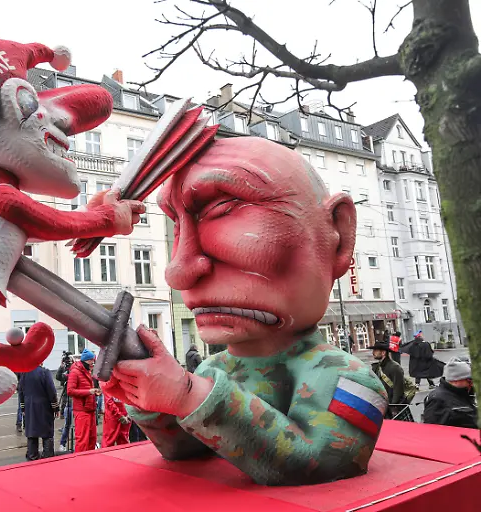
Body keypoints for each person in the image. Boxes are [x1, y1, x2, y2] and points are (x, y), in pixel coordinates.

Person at [102, 138, 388, 485]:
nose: (178, 271)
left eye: (223, 208)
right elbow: (189, 448)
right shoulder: (214, 367)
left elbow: (319, 462)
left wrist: (189, 395)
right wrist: (153, 403)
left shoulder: (348, 378)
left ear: (337, 237)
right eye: (177, 224)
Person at [423, 357, 477, 428]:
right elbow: (433, 431)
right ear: (456, 380)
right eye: (469, 380)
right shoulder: (438, 401)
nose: (472, 384)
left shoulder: (462, 392)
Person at [19, 365, 58, 460]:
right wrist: (55, 407)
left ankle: (32, 458)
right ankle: (48, 458)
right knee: (47, 434)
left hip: (29, 408)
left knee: (32, 435)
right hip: (44, 408)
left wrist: (23, 408)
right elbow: (52, 391)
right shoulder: (45, 372)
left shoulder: (24, 373)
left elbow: (21, 392)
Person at [67, 350, 99, 452]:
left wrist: (94, 393)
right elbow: (70, 391)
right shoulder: (75, 372)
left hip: (90, 409)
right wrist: (89, 392)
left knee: (92, 439)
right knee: (82, 440)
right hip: (82, 410)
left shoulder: (87, 371)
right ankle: (80, 463)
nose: (93, 364)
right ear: (86, 361)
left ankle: (89, 462)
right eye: (92, 362)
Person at [370, 341, 409, 419]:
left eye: (375, 350)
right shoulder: (377, 367)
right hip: (382, 406)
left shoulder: (395, 367)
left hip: (393, 409)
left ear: (383, 352)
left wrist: (393, 406)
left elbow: (398, 390)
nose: (373, 352)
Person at [55, 352, 73, 451]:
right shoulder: (64, 369)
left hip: (75, 400)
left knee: (73, 424)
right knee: (67, 424)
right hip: (68, 398)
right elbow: (58, 377)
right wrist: (61, 366)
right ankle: (63, 443)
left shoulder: (75, 368)